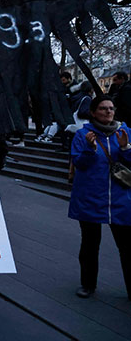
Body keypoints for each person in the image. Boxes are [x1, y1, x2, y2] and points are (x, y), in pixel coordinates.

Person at [69, 96, 131, 300]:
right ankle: (88, 285)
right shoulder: (82, 135)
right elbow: (79, 163)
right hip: (90, 198)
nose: (108, 112)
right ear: (94, 112)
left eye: (111, 108)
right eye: (103, 109)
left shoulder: (125, 132)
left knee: (127, 247)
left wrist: (125, 148)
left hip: (120, 199)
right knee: (89, 245)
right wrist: (90, 149)